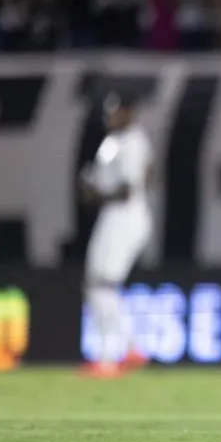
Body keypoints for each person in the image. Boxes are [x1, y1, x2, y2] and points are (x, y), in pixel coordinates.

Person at [79, 92, 153, 378]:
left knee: (103, 284)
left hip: (126, 217)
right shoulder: (112, 143)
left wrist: (95, 192)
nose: (111, 117)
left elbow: (126, 190)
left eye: (116, 112)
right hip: (112, 217)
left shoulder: (134, 140)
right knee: (95, 284)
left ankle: (109, 357)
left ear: (129, 112)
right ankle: (130, 347)